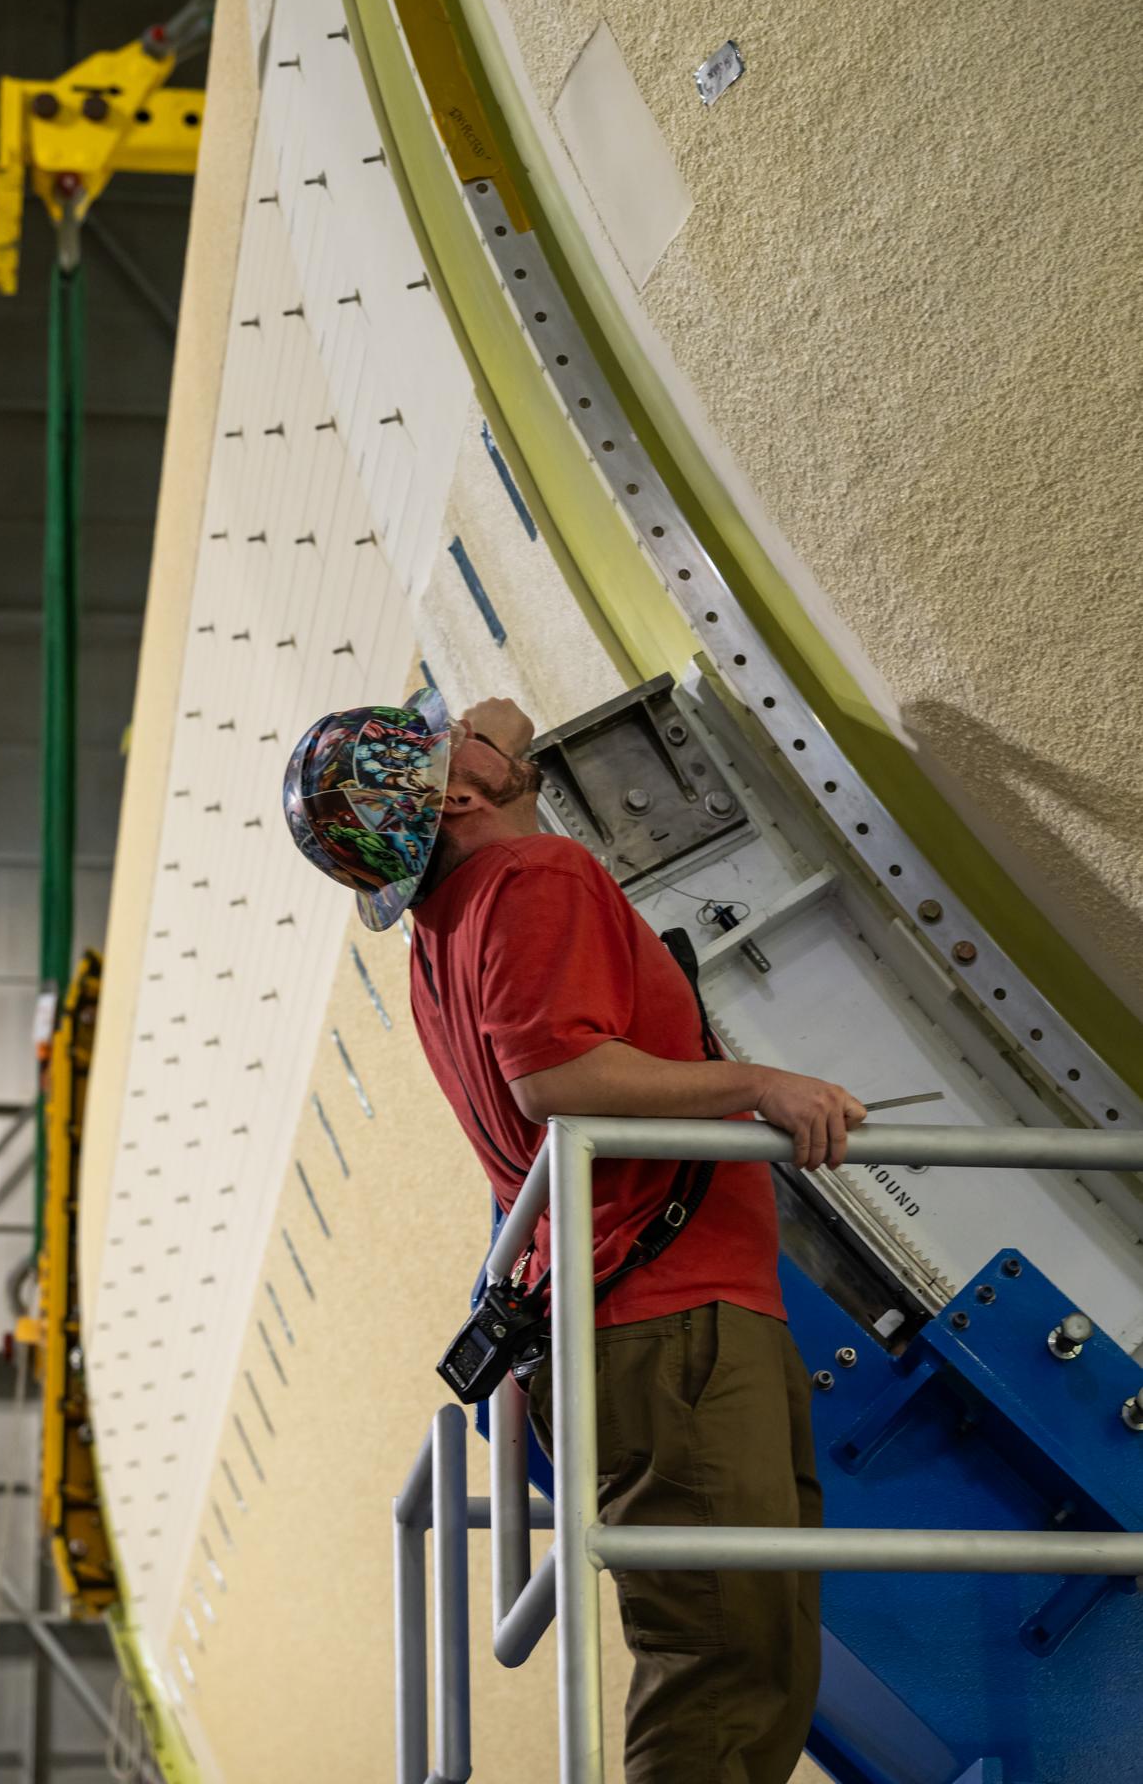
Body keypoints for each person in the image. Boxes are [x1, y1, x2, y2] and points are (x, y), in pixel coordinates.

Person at [283, 687, 868, 1784]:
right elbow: (558, 1081)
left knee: (753, 1665)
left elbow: (513, 1167)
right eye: (452, 737)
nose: (483, 727)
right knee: (728, 1669)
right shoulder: (533, 878)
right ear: (456, 792)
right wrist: (763, 1084)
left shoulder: (437, 946)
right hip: (670, 1327)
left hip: (616, 1329)